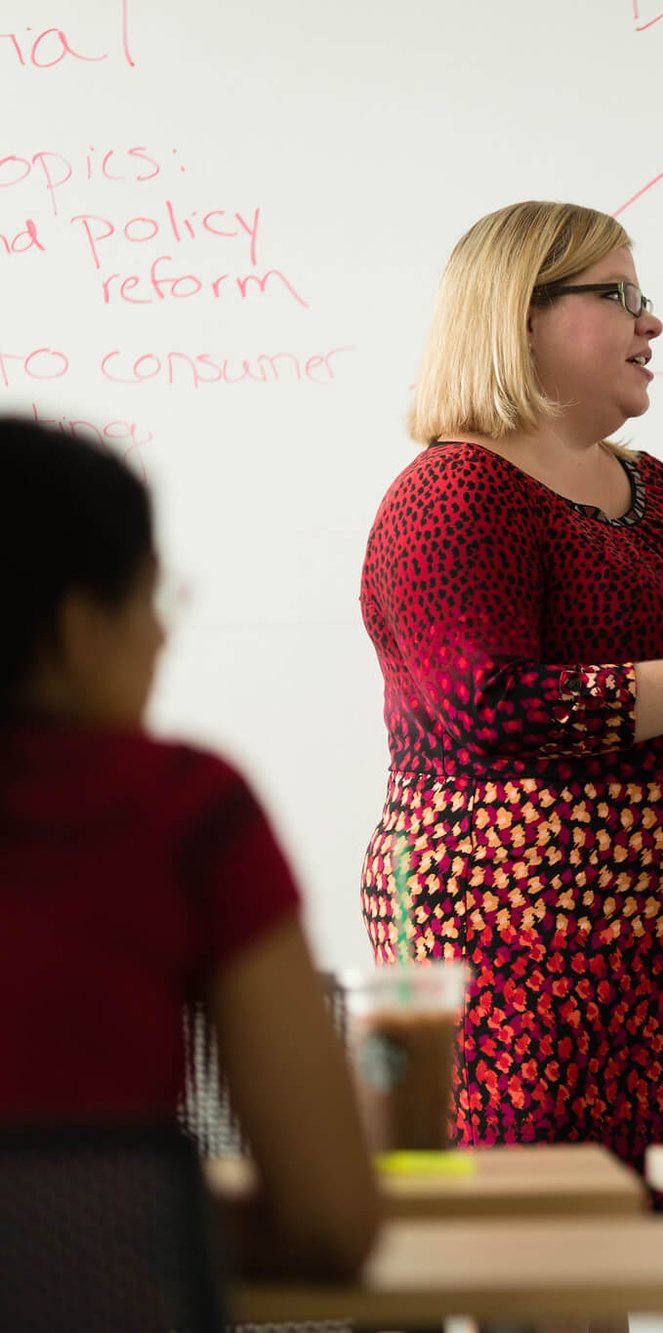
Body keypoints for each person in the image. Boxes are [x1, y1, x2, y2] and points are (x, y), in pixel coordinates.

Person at [360, 201, 663, 1190]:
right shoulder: (454, 491)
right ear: (519, 316)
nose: (651, 322)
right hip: (510, 958)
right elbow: (486, 711)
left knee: (627, 1252)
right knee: (534, 1257)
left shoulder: (653, 487)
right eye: (618, 296)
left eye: (645, 296)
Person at [0, 416, 379, 1279]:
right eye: (149, 601)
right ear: (74, 627)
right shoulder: (187, 815)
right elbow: (331, 1220)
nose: (163, 638)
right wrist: (114, 1223)